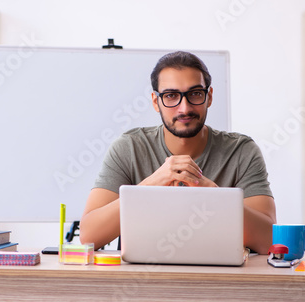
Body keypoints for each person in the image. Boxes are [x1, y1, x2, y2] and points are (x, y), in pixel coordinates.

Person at [80, 51, 276, 255]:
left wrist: (216, 196)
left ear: (208, 97)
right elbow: (89, 236)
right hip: (142, 281)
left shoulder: (241, 151)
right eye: (171, 96)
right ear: (156, 102)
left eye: (195, 94)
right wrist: (149, 186)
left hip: (219, 282)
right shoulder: (129, 148)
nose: (184, 108)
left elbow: (269, 241)